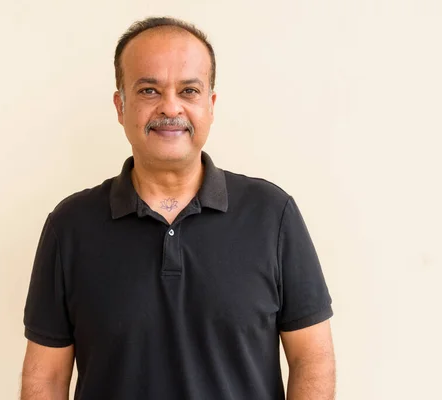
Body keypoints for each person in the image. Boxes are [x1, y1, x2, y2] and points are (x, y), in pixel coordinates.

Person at [21, 16, 335, 400]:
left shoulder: (272, 215)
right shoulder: (69, 227)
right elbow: (47, 379)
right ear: (121, 106)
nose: (171, 107)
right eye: (149, 90)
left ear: (210, 105)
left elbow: (312, 358)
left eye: (188, 90)